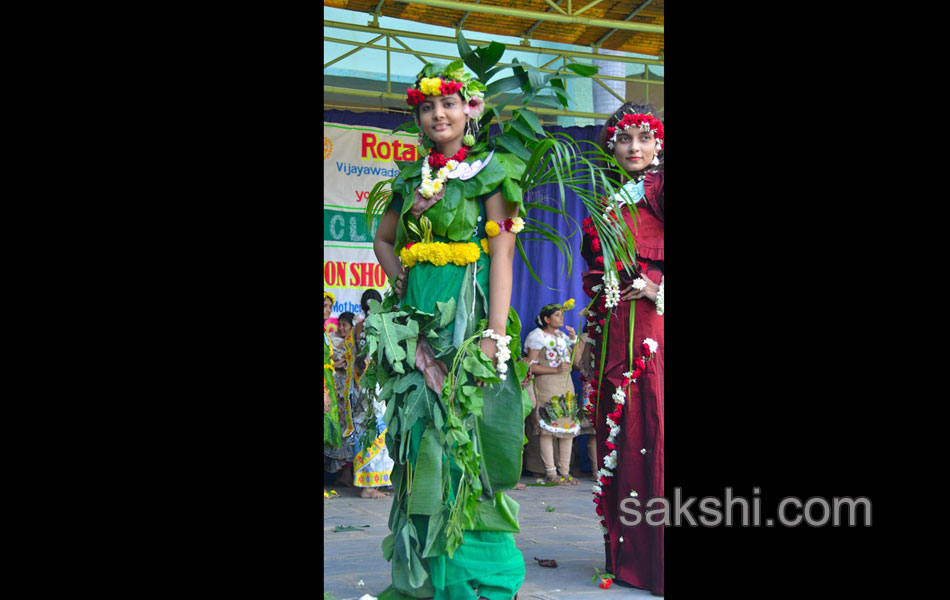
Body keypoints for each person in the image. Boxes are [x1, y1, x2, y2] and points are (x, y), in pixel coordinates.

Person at [366, 60, 530, 600]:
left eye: (449, 103)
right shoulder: (410, 179)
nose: (439, 114)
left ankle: (471, 573)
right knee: (420, 445)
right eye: (427, 107)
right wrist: (400, 290)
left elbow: (502, 252)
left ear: (471, 110)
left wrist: (495, 333)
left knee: (466, 445)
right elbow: (384, 241)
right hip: (418, 326)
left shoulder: (493, 169)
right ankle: (424, 579)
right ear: (418, 118)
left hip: (468, 326)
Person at [580, 101, 664, 595]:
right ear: (610, 146)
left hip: (655, 334)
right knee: (621, 435)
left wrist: (657, 289)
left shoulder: (660, 189)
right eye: (624, 139)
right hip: (616, 336)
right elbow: (597, 276)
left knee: (653, 428)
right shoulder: (607, 203)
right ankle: (629, 558)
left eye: (643, 138)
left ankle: (655, 563)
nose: (634, 148)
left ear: (658, 143)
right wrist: (591, 333)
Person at [523, 301, 581, 485]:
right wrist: (555, 371)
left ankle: (565, 471)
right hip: (546, 386)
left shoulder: (562, 336)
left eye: (562, 315)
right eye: (557, 315)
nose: (561, 318)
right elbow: (529, 367)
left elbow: (574, 362)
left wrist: (573, 341)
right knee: (547, 430)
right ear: (546, 319)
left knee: (567, 429)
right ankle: (551, 472)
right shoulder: (536, 336)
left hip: (566, 387)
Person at [350, 289, 394, 498]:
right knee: (377, 429)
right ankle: (370, 486)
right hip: (374, 382)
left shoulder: (358, 326)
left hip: (359, 383)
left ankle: (366, 482)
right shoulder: (378, 323)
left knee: (363, 430)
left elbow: (354, 357)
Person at [325, 311, 358, 487]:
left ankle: (346, 472)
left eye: (345, 325)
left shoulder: (354, 343)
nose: (341, 328)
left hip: (349, 396)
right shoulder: (331, 339)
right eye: (340, 324)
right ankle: (336, 474)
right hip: (333, 393)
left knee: (348, 432)